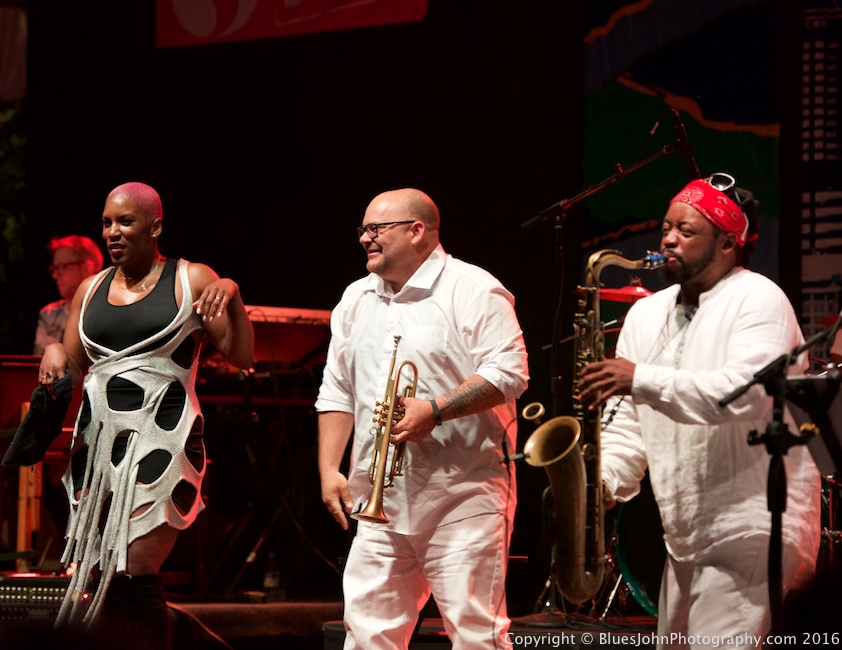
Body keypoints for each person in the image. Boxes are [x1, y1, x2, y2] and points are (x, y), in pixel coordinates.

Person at [577, 173, 821, 647]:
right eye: (667, 226)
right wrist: (599, 483)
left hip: (752, 525)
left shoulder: (759, 299)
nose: (668, 238)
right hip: (684, 533)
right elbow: (630, 422)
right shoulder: (645, 315)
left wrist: (638, 377)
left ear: (728, 242)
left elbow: (745, 393)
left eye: (686, 231)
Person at [37, 182, 254, 647]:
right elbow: (74, 362)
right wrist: (55, 347)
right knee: (100, 569)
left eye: (126, 222)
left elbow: (239, 354)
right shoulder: (89, 289)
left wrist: (231, 294)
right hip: (99, 443)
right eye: (107, 223)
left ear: (155, 226)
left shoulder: (190, 278)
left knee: (133, 567)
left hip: (163, 435)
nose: (113, 232)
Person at [316, 188, 529, 649]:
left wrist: (435, 409)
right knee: (368, 635)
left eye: (376, 229)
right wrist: (328, 467)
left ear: (417, 231)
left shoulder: (473, 288)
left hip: (463, 494)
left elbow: (509, 372)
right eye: (363, 229)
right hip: (380, 498)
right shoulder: (355, 298)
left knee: (476, 634)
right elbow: (337, 388)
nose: (365, 239)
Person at [34, 235, 104, 355]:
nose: (55, 275)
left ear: (86, 268)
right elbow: (38, 364)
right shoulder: (49, 314)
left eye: (62, 267)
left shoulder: (109, 311)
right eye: (54, 268)